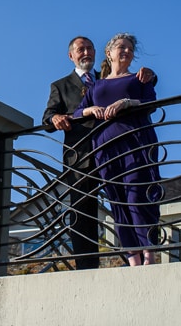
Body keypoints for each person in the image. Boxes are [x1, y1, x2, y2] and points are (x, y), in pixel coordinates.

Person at [43, 36, 155, 270]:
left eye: (89, 49)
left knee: (134, 198)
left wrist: (151, 75)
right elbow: (48, 118)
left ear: (98, 53)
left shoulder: (103, 79)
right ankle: (88, 269)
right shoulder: (60, 85)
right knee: (83, 214)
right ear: (71, 55)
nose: (86, 53)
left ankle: (141, 257)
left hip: (119, 148)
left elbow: (139, 88)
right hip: (82, 158)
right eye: (80, 49)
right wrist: (56, 118)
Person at [75, 32, 161, 267]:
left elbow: (151, 104)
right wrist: (91, 110)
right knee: (118, 202)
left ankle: (149, 255)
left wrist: (127, 103)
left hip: (136, 143)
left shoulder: (139, 78)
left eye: (130, 49)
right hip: (105, 147)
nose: (126, 52)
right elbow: (77, 112)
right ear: (109, 53)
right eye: (121, 47)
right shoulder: (97, 85)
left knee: (138, 196)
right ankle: (132, 258)